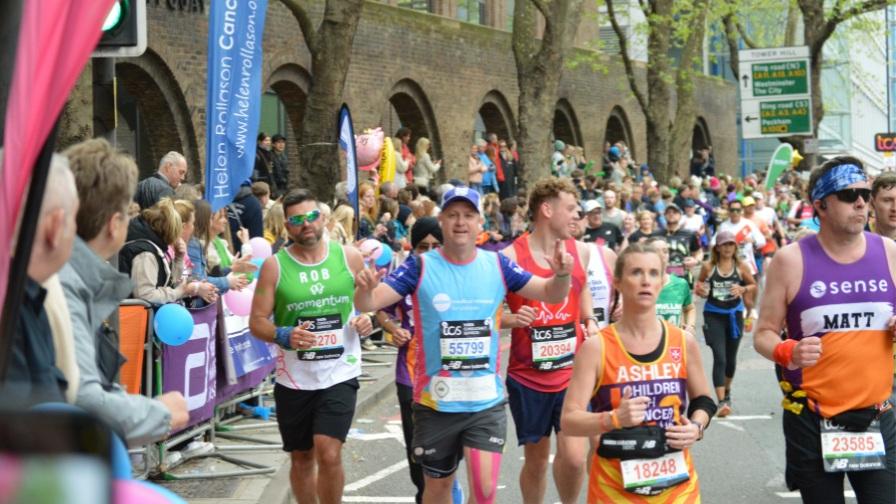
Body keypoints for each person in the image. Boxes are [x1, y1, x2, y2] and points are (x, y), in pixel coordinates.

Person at [354, 186, 574, 504]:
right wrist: (365, 290)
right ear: (442, 220)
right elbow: (369, 302)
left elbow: (550, 293)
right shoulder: (420, 266)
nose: (460, 222)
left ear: (479, 223)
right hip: (436, 403)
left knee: (484, 492)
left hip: (485, 403)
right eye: (453, 215)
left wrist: (562, 275)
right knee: (438, 489)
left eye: (468, 215)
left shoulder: (498, 265)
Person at [754, 157, 895, 503]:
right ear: (820, 205)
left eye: (864, 194)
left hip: (877, 413)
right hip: (812, 416)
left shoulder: (890, 253)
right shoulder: (790, 260)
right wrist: (788, 350)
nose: (860, 202)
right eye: (848, 195)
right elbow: (764, 333)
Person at [58, 138, 189, 445]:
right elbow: (83, 396)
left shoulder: (70, 278)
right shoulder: (65, 284)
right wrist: (160, 413)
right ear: (115, 224)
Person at [560, 243, 715, 502]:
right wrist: (613, 418)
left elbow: (704, 401)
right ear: (618, 283)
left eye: (654, 273)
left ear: (662, 282)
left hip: (678, 490)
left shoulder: (682, 341)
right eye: (636, 272)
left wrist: (697, 427)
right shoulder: (596, 347)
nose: (646, 281)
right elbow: (569, 421)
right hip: (614, 490)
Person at [249, 189, 374, 504]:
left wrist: (366, 319)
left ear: (323, 219)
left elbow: (364, 304)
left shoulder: (348, 257)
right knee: (302, 457)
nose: (306, 224)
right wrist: (284, 335)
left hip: (340, 371)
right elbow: (257, 322)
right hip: (294, 378)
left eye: (311, 216)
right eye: (297, 220)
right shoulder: (275, 266)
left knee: (328, 451)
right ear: (287, 227)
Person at [501, 178, 597, 504]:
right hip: (528, 376)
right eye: (570, 208)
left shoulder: (580, 251)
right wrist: (511, 319)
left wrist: (589, 319)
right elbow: (487, 309)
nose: (576, 215)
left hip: (572, 373)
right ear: (546, 209)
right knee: (537, 460)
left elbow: (581, 287)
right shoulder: (511, 255)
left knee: (574, 457)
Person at [1, 153, 79, 406]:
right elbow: (24, 423)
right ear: (55, 226)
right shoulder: (12, 310)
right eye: (74, 218)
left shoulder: (31, 299)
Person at [376, 217, 443, 504]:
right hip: (411, 372)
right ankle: (424, 495)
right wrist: (393, 328)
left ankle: (443, 491)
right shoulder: (405, 274)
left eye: (436, 246)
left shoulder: (454, 274)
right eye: (423, 246)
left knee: (446, 448)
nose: (429, 252)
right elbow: (380, 308)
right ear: (413, 248)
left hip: (448, 373)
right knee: (417, 446)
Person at [694, 230, 755, 417]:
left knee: (730, 359)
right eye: (724, 245)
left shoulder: (741, 266)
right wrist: (702, 291)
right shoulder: (708, 266)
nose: (728, 248)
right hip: (713, 315)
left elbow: (753, 285)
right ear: (717, 248)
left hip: (734, 315)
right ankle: (721, 402)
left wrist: (743, 289)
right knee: (720, 357)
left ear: (735, 247)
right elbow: (699, 285)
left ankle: (727, 391)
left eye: (731, 244)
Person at [118, 198, 216, 305]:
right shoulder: (146, 253)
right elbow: (146, 295)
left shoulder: (156, 246)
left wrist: (178, 259)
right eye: (192, 224)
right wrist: (178, 292)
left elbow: (171, 282)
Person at [870, 172, 896, 407]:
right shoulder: (855, 244)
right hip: (869, 364)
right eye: (888, 200)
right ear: (872, 203)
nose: (894, 208)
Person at [647, 237, 696, 332]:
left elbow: (690, 309)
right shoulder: (640, 285)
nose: (662, 255)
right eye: (656, 251)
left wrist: (691, 326)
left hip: (674, 340)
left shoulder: (681, 284)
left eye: (665, 251)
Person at [660, 203, 702, 287]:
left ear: (680, 215)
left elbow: (699, 252)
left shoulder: (689, 234)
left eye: (674, 212)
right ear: (664, 215)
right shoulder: (656, 235)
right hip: (662, 280)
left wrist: (695, 260)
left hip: (684, 279)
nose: (671, 214)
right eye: (668, 212)